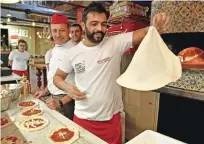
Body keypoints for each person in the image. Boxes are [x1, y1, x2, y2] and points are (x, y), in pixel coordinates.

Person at [53, 2, 170, 144]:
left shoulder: (114, 43)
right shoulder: (72, 53)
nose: (99, 29)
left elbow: (145, 33)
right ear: (83, 25)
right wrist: (68, 88)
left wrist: (155, 27)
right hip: (83, 119)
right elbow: (57, 77)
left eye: (103, 24)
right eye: (94, 24)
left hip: (111, 120)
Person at [33, 13, 76, 120]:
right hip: (53, 97)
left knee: (65, 132)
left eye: (62, 30)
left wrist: (60, 102)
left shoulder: (75, 50)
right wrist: (45, 91)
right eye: (54, 31)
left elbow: (81, 84)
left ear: (68, 29)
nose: (57, 34)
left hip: (66, 101)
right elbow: (52, 74)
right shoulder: (55, 49)